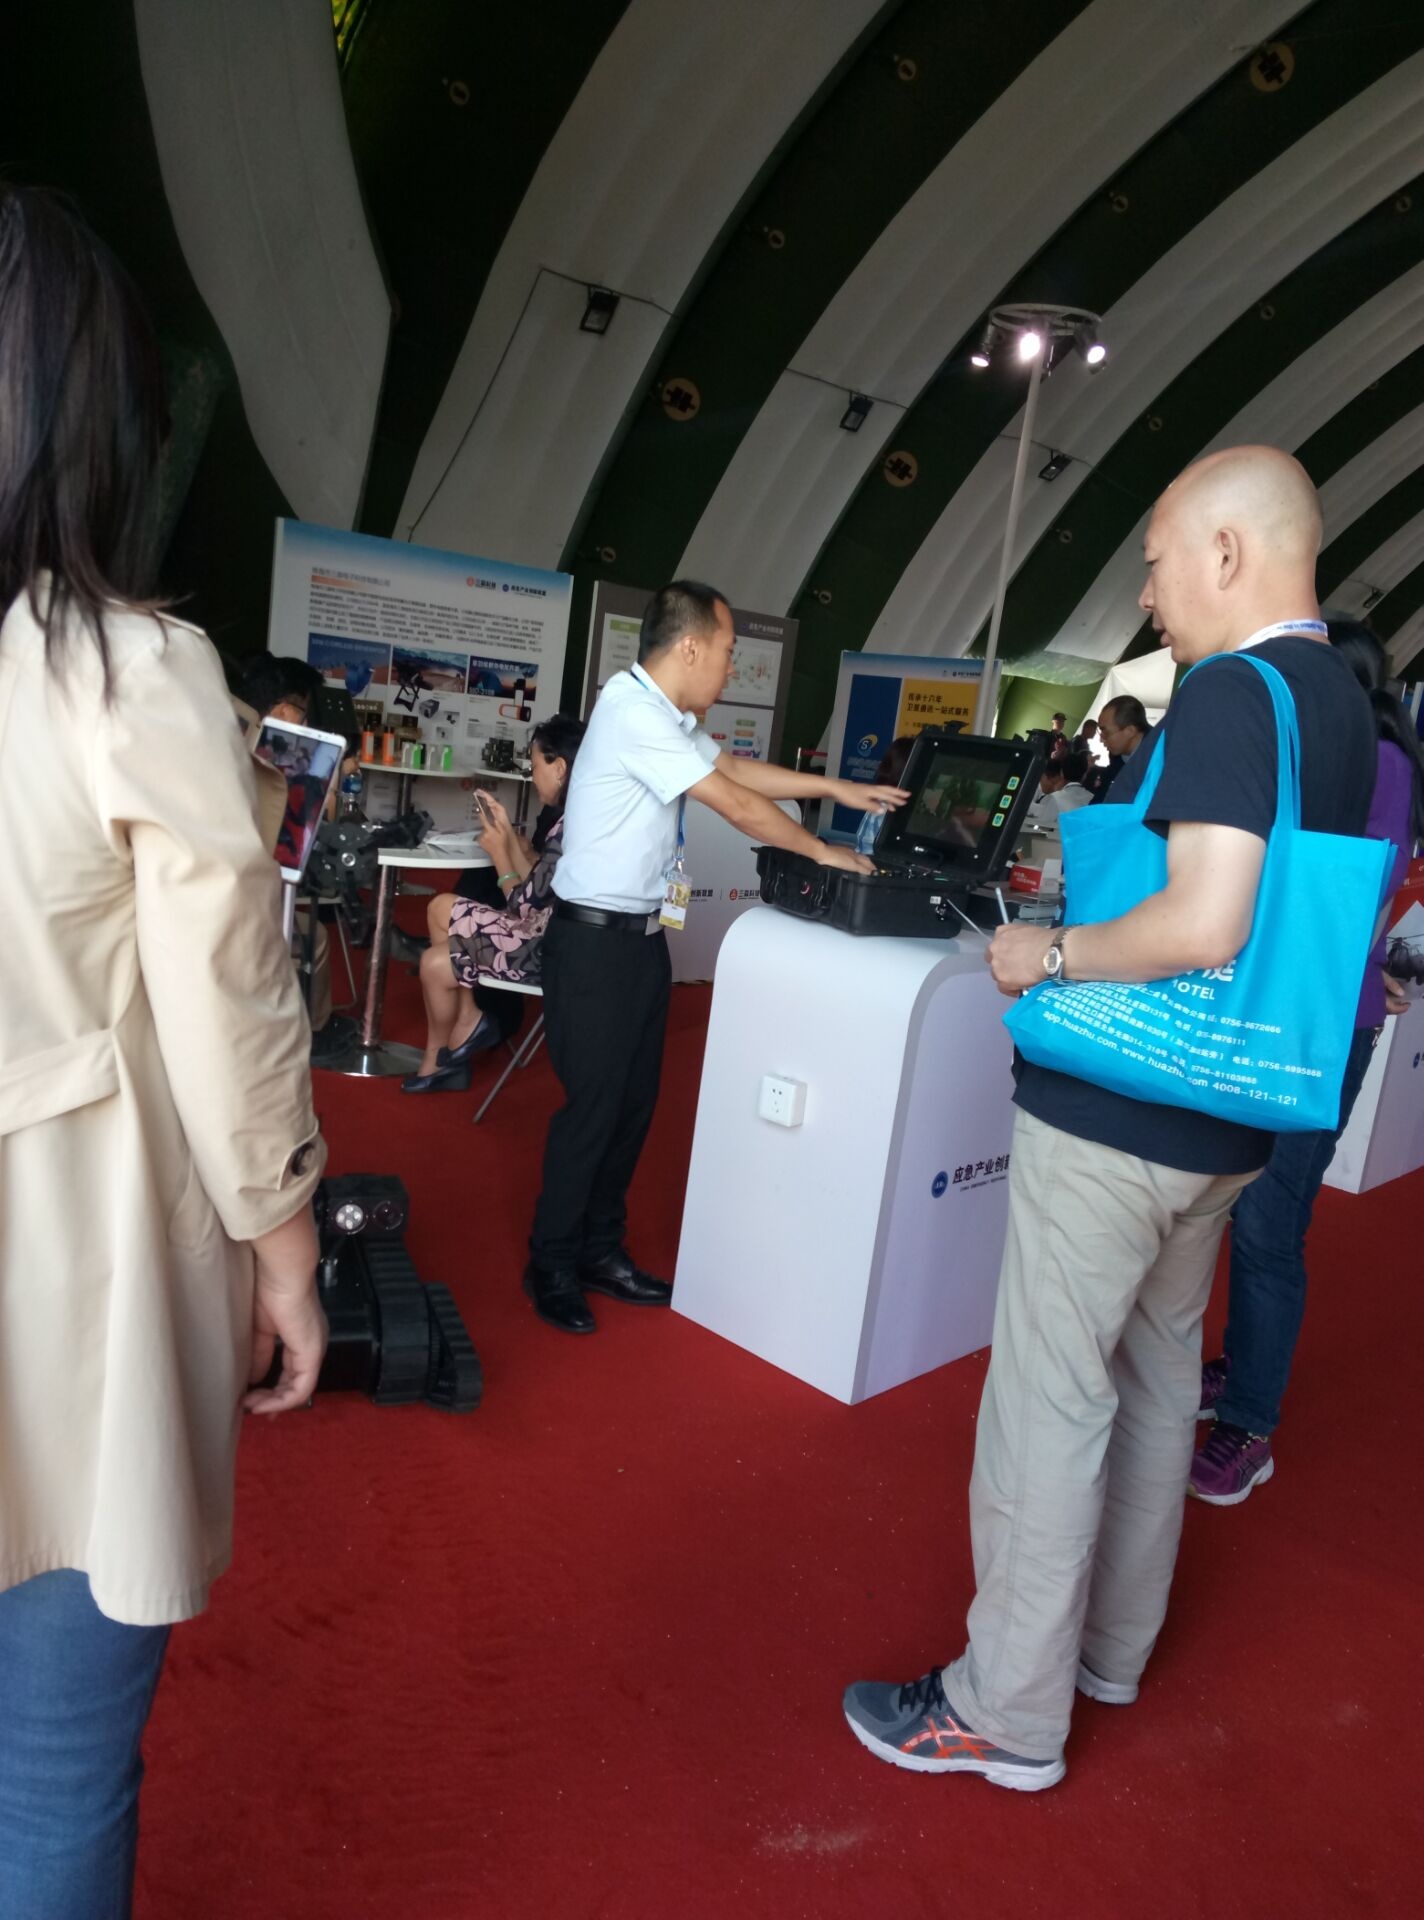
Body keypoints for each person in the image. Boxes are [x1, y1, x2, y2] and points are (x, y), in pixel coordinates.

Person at [842, 446, 1376, 1790]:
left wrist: (1048, 954)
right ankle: (1108, 1654)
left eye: (1153, 560)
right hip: (1225, 1124)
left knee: (1048, 1401)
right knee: (1150, 1387)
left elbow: (1205, 919)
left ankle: (1003, 1711)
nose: (1144, 593)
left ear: (1228, 553)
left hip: (1118, 1122)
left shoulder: (1231, 689)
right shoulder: (1340, 701)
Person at [0, 185, 327, 1913]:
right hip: (67, 1284)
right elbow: (229, 999)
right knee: (54, 1776)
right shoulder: (123, 668)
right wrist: (287, 1248)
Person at [523, 580, 907, 1334]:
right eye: (729, 651)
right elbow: (730, 803)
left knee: (633, 1108)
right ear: (692, 646)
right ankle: (552, 1262)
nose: (733, 667)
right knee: (593, 1111)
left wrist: (834, 788)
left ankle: (600, 1250)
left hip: (639, 942)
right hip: (593, 945)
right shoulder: (631, 712)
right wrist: (821, 850)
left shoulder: (663, 717)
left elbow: (733, 772)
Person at [1191, 617, 1424, 1502]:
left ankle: (1250, 1423)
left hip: (1315, 1031)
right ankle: (1240, 1367)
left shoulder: (1381, 762)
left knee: (1268, 1222)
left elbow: (1355, 899)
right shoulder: (1318, 753)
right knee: (1236, 1205)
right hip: (1269, 1014)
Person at [402, 715, 585, 1092]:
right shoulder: (573, 820)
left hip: (544, 950)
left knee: (435, 951)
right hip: (546, 933)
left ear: (560, 768)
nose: (532, 777)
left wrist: (501, 852)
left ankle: (445, 1054)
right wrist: (506, 836)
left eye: (535, 766)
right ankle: (464, 1022)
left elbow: (523, 906)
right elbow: (537, 886)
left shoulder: (572, 828)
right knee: (438, 926)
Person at [1087, 694, 1148, 800]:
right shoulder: (1117, 757)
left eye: (1105, 732)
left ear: (1130, 731)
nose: (1101, 739)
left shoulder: (1162, 761)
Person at [1028, 746, 1093, 822]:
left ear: (1061, 773)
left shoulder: (1055, 798)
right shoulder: (1091, 798)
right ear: (1084, 775)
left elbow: (1042, 824)